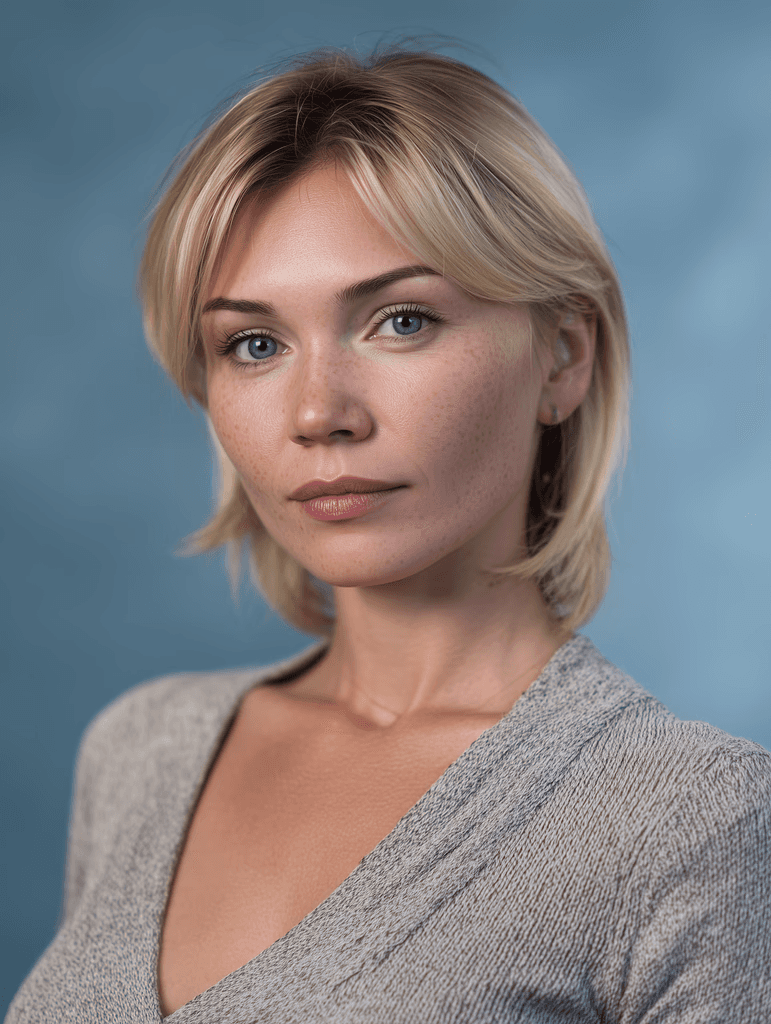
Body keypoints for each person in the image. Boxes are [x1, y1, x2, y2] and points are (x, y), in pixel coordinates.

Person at [6, 42, 770, 1024]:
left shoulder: (693, 821)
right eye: (255, 343)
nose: (319, 411)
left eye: (400, 321)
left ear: (563, 355)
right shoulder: (140, 748)